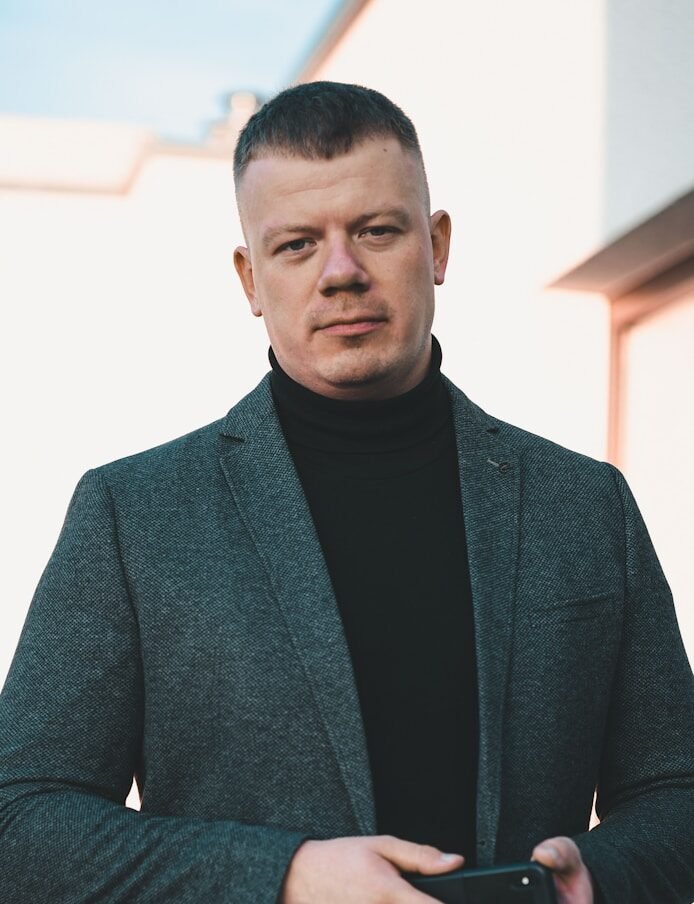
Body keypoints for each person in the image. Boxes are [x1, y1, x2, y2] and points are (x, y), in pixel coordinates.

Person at [0, 81, 692, 904]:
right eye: (296, 245)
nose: (341, 273)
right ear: (250, 279)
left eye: (376, 230)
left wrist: (597, 878)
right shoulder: (132, 515)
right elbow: (22, 823)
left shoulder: (587, 506)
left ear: (436, 246)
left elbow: (673, 796)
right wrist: (283, 878)